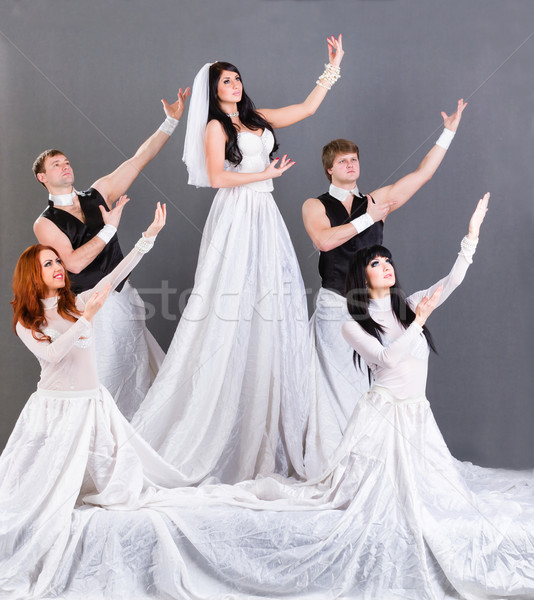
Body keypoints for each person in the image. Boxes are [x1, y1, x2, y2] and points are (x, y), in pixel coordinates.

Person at [10, 195, 534, 600]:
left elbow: (113, 276)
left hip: (408, 418)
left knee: (118, 487)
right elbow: (54, 355)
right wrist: (83, 323)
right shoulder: (34, 320)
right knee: (42, 492)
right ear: (36, 275)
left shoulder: (82, 303)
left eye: (61, 263)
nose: (60, 269)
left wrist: (144, 238)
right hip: (59, 410)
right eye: (52, 265)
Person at [132, 36, 345, 485]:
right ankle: (210, 426)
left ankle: (265, 418)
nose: (235, 84)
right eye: (226, 80)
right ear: (214, 89)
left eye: (237, 79)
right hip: (236, 213)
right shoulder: (215, 127)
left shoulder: (257, 118)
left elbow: (306, 108)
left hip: (263, 212)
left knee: (271, 299)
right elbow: (215, 177)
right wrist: (265, 173)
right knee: (229, 299)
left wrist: (333, 67)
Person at [302, 100, 467, 474]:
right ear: (330, 168)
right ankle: (336, 465)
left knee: (373, 385)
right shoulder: (315, 204)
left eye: (354, 159)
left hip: (376, 307)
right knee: (334, 387)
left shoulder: (376, 200)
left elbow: (422, 174)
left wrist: (448, 131)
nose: (351, 165)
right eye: (343, 161)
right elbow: (325, 242)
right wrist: (366, 221)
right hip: (334, 307)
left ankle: (375, 465)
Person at [31, 88, 190, 419]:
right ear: (42, 177)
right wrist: (109, 229)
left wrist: (170, 122)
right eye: (55, 164)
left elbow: (138, 159)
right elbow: (74, 261)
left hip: (122, 298)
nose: (65, 166)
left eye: (66, 161)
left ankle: (135, 450)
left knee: (137, 375)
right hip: (89, 307)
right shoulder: (45, 224)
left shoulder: (98, 193)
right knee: (103, 380)